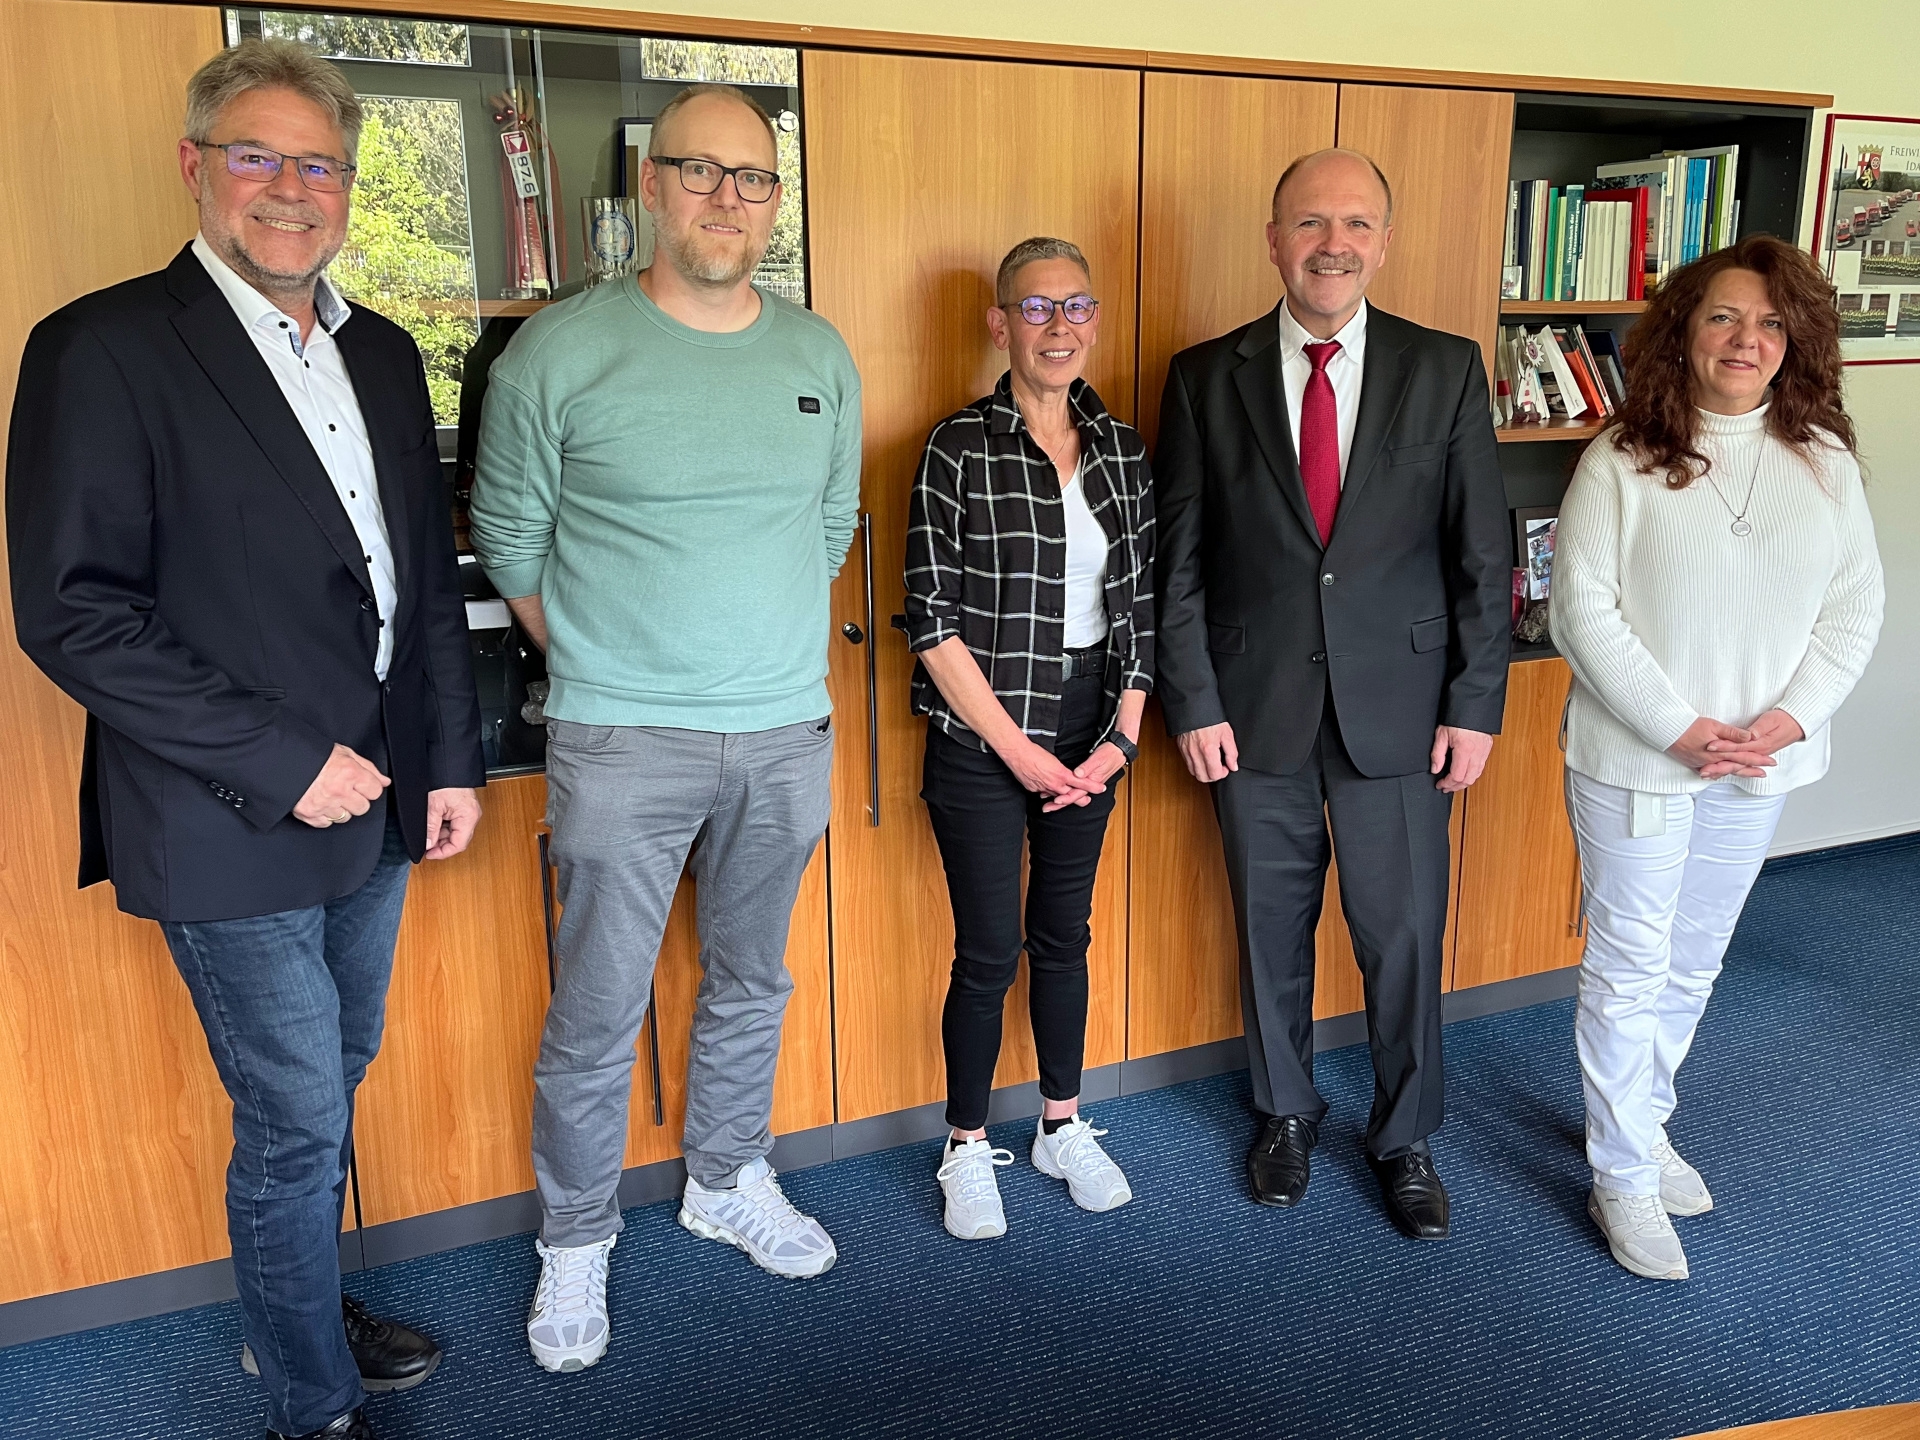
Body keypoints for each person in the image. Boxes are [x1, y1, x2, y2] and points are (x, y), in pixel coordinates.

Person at [6, 40, 483, 1440]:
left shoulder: (387, 354)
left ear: (348, 184)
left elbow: (421, 583)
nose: (291, 189)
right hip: (229, 815)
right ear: (196, 167)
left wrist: (448, 758)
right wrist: (286, 762)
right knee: (292, 1120)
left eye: (319, 163)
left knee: (329, 1092)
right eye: (258, 156)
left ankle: (301, 1314)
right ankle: (311, 1401)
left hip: (390, 799)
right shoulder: (101, 348)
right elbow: (73, 614)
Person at [468, 83, 861, 1372]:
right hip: (621, 739)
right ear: (651, 186)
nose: (726, 201)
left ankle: (724, 1176)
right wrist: (609, 658)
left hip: (785, 731)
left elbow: (829, 530)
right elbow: (512, 543)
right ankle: (575, 1237)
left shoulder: (817, 354)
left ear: (774, 201)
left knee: (754, 978)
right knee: (598, 1004)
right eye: (700, 173)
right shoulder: (558, 354)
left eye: (753, 180)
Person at [1154, 149, 1511, 1240]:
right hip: (1249, 708)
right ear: (1274, 240)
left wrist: (1476, 701)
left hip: (1403, 710)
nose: (1334, 244)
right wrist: (1194, 700)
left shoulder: (1444, 368)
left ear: (1384, 242)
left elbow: (1482, 555)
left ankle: (1403, 1136)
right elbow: (1177, 560)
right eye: (1312, 223)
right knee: (1271, 931)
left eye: (1357, 223)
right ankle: (1286, 1112)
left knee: (1401, 936)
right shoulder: (1202, 376)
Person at [1550, 235, 1883, 1282]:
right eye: (1725, 319)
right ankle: (1620, 1174)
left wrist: (1787, 721)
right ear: (1684, 335)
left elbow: (1855, 607)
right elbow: (1582, 613)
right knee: (1631, 961)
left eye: (1772, 324)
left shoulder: (1824, 459)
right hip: (1640, 763)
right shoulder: (1620, 455)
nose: (1748, 340)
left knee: (1694, 960)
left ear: (1798, 342)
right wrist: (1683, 728)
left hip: (1763, 765)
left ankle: (1641, 1129)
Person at [905, 238, 1154, 1240]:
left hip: (1091, 727)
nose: (1060, 327)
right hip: (983, 739)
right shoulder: (955, 446)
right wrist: (1017, 750)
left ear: (1094, 320)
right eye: (1037, 308)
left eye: (1077, 307)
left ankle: (1061, 1122)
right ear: (1001, 324)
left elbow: (1142, 609)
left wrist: (1121, 741)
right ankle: (966, 1146)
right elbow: (929, 620)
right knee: (988, 950)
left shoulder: (1125, 450)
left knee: (1065, 938)